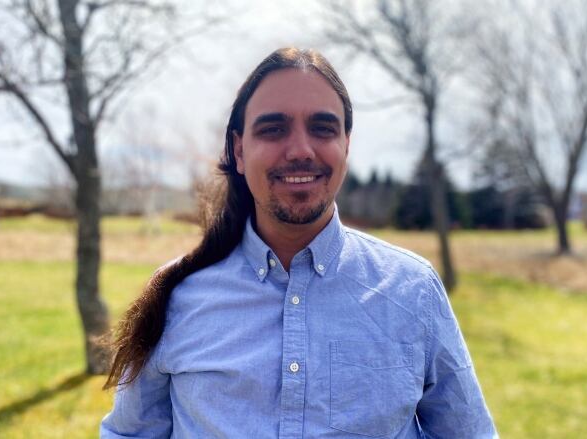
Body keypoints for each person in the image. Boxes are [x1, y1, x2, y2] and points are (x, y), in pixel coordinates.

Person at [101, 47, 497, 438]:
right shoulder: (176, 295)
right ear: (239, 150)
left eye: (323, 128)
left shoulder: (412, 291)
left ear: (346, 144)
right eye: (273, 129)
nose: (300, 151)